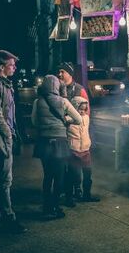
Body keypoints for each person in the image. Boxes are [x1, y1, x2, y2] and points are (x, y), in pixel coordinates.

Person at [0, 50, 27, 233]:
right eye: (11, 65)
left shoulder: (5, 84)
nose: (14, 68)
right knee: (4, 179)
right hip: (0, 137)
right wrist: (8, 134)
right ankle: (8, 218)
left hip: (3, 136)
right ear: (2, 67)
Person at [31, 75, 82, 219]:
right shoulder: (63, 101)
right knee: (59, 176)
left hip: (43, 142)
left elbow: (34, 122)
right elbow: (78, 119)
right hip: (59, 142)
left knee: (47, 176)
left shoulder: (37, 101)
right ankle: (55, 206)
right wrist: (66, 119)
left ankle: (47, 207)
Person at [64, 96, 100, 206]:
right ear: (74, 108)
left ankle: (86, 195)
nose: (83, 111)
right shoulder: (68, 119)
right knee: (73, 175)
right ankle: (69, 198)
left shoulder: (86, 118)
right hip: (73, 150)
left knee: (88, 175)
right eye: (80, 109)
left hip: (85, 150)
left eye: (85, 109)